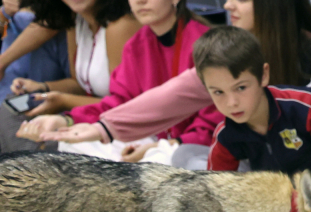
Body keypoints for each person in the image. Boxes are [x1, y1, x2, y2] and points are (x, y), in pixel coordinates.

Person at [36, 0, 311, 147]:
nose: (227, 4)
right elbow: (173, 95)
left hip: (304, 166)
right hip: (247, 159)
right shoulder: (233, 47)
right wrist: (102, 127)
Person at [17, 0, 220, 168]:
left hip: (187, 145)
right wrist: (67, 121)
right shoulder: (136, 44)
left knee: (159, 161)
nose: (140, 2)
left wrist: (165, 145)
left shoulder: (204, 43)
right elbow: (119, 103)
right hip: (148, 137)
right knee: (70, 145)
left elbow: (214, 120)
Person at [195, 26, 311, 192]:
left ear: (264, 75)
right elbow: (217, 188)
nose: (231, 103)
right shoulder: (226, 135)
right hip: (276, 206)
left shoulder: (307, 106)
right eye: (218, 92)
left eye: (241, 88)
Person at [0, 0, 137, 153]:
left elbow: (126, 106)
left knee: (23, 135)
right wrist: (43, 87)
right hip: (87, 115)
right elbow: (78, 84)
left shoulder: (120, 26)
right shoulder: (76, 21)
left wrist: (62, 101)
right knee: (9, 109)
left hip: (117, 128)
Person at [0, 0, 69, 151]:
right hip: (18, 103)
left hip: (36, 109)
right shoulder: (11, 17)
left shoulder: (58, 24)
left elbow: (79, 86)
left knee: (7, 114)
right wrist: (4, 14)